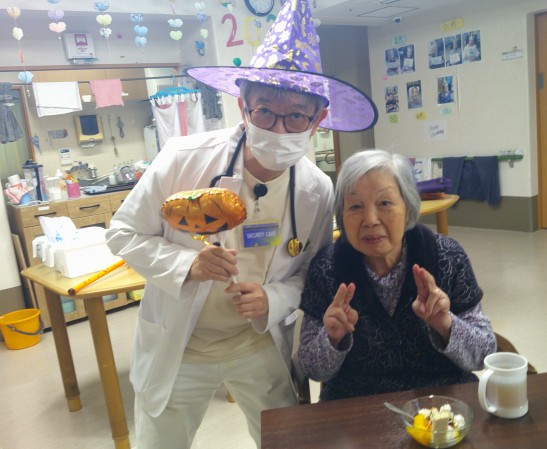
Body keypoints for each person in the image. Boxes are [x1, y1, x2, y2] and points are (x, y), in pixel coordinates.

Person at [105, 1, 377, 448]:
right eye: (265, 111)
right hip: (182, 341)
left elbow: (311, 272)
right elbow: (122, 233)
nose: (279, 127)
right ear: (243, 107)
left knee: (286, 441)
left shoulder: (315, 189)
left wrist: (273, 298)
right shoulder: (182, 159)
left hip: (258, 341)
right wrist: (186, 265)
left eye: (296, 115)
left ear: (319, 120)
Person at [297, 149, 496, 401]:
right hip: (357, 404)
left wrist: (446, 324)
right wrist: (332, 338)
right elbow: (312, 369)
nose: (370, 220)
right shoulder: (327, 268)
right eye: (355, 206)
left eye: (385, 203)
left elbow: (484, 354)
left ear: (408, 208)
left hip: (441, 401)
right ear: (342, 216)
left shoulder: (447, 257)